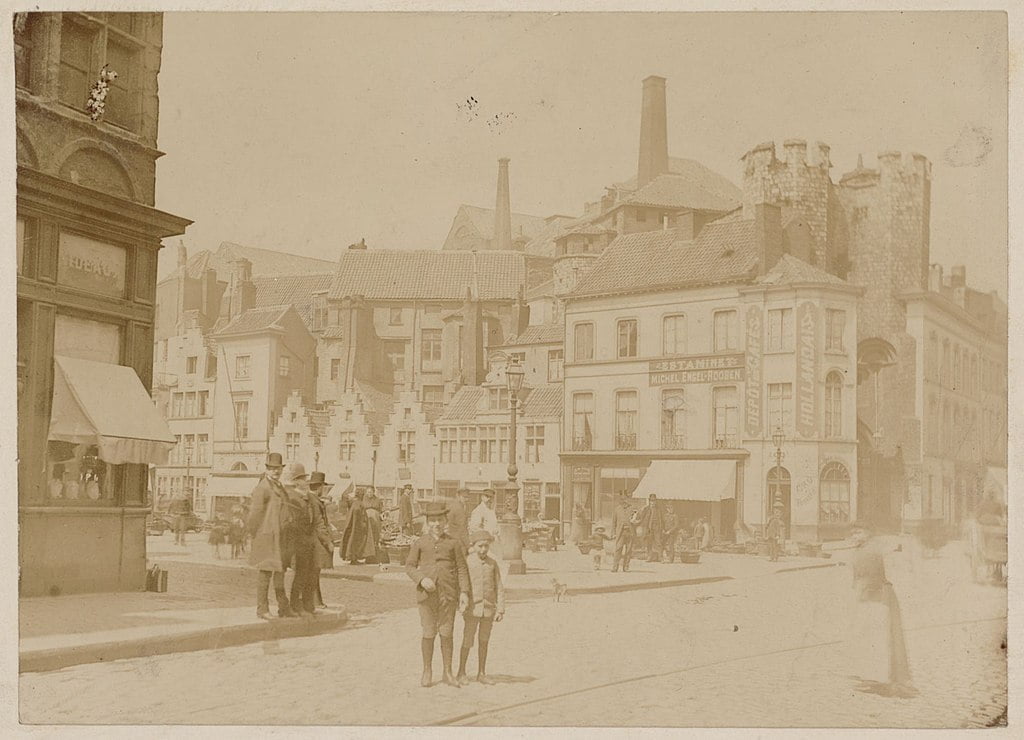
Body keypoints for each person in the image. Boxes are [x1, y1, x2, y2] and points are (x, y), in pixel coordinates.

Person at [847, 525, 915, 698]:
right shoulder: (862, 549)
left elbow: (874, 577)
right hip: (869, 595)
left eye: (858, 532)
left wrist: (864, 593)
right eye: (852, 533)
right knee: (867, 635)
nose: (854, 536)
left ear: (867, 533)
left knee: (876, 636)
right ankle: (870, 675)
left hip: (876, 597)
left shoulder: (870, 551)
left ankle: (878, 676)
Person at [406, 501, 469, 688]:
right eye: (432, 520)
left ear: (445, 521)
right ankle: (427, 670)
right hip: (426, 597)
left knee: (447, 632)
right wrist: (421, 579)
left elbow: (462, 569)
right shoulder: (420, 543)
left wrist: (464, 592)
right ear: (427, 522)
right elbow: (409, 566)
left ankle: (448, 672)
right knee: (428, 632)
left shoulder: (453, 543)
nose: (436, 524)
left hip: (449, 595)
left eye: (440, 520)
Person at [247, 452, 299, 619]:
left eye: (278, 468)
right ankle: (262, 609)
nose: (276, 471)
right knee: (265, 573)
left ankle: (283, 608)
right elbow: (254, 515)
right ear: (267, 469)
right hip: (267, 537)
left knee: (280, 573)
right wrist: (255, 535)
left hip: (281, 537)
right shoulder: (263, 488)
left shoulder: (278, 486)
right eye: (272, 468)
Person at [457, 530, 506, 686]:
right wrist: (462, 603)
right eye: (480, 546)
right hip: (472, 610)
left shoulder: (493, 564)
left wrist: (500, 609)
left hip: (488, 610)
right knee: (468, 640)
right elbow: (461, 585)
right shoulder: (468, 562)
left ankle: (481, 673)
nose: (483, 549)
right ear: (474, 546)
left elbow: (499, 586)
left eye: (486, 546)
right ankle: (461, 672)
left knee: (484, 640)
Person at [283, 462, 319, 616]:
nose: (306, 481)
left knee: (310, 574)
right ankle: (296, 604)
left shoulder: (308, 497)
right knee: (300, 574)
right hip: (298, 542)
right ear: (297, 481)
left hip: (310, 541)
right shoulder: (292, 498)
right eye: (303, 479)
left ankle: (308, 605)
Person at [309, 472, 334, 609]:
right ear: (319, 487)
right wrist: (327, 541)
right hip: (316, 541)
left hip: (313, 540)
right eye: (322, 487)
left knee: (314, 571)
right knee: (314, 571)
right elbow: (319, 524)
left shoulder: (312, 500)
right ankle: (314, 601)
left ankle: (316, 601)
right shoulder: (315, 501)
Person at [341, 489, 376, 564]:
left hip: (354, 526)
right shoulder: (359, 504)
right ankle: (353, 558)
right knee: (356, 542)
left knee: (353, 541)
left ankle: (353, 558)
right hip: (357, 527)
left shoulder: (355, 503)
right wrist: (363, 524)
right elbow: (360, 515)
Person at [611, 494, 636, 573]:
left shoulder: (632, 509)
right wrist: (613, 533)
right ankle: (615, 567)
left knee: (628, 550)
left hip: (630, 532)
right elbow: (613, 522)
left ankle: (626, 567)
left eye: (626, 499)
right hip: (620, 533)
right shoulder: (617, 509)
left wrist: (635, 520)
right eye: (622, 500)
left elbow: (638, 519)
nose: (624, 501)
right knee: (618, 549)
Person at [638, 493, 665, 562]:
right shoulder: (646, 509)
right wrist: (642, 527)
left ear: (656, 502)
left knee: (658, 542)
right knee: (649, 543)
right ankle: (649, 556)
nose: (653, 502)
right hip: (648, 528)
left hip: (657, 528)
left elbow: (662, 519)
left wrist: (663, 528)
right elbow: (641, 518)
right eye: (652, 501)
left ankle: (661, 557)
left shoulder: (659, 509)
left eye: (654, 501)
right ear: (649, 501)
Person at [363, 488, 383, 564]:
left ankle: (375, 557)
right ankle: (367, 556)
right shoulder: (364, 499)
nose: (369, 493)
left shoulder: (377, 500)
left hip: (375, 521)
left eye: (371, 492)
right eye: (368, 492)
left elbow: (381, 510)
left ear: (373, 492)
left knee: (375, 537)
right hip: (366, 520)